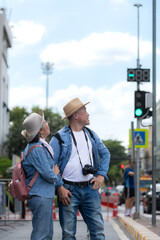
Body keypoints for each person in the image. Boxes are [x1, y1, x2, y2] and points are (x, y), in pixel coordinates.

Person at [50, 97, 110, 240]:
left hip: (91, 189)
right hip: (68, 191)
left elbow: (105, 153)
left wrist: (101, 175)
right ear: (76, 115)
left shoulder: (90, 134)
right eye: (85, 111)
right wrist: (60, 187)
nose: (88, 114)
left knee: (98, 232)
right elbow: (51, 165)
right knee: (69, 234)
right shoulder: (59, 138)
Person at [22, 111, 59, 240]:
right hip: (40, 195)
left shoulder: (39, 147)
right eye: (45, 122)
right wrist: (55, 174)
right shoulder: (37, 149)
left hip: (43, 194)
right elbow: (49, 174)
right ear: (40, 131)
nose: (47, 124)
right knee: (41, 235)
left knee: (46, 234)